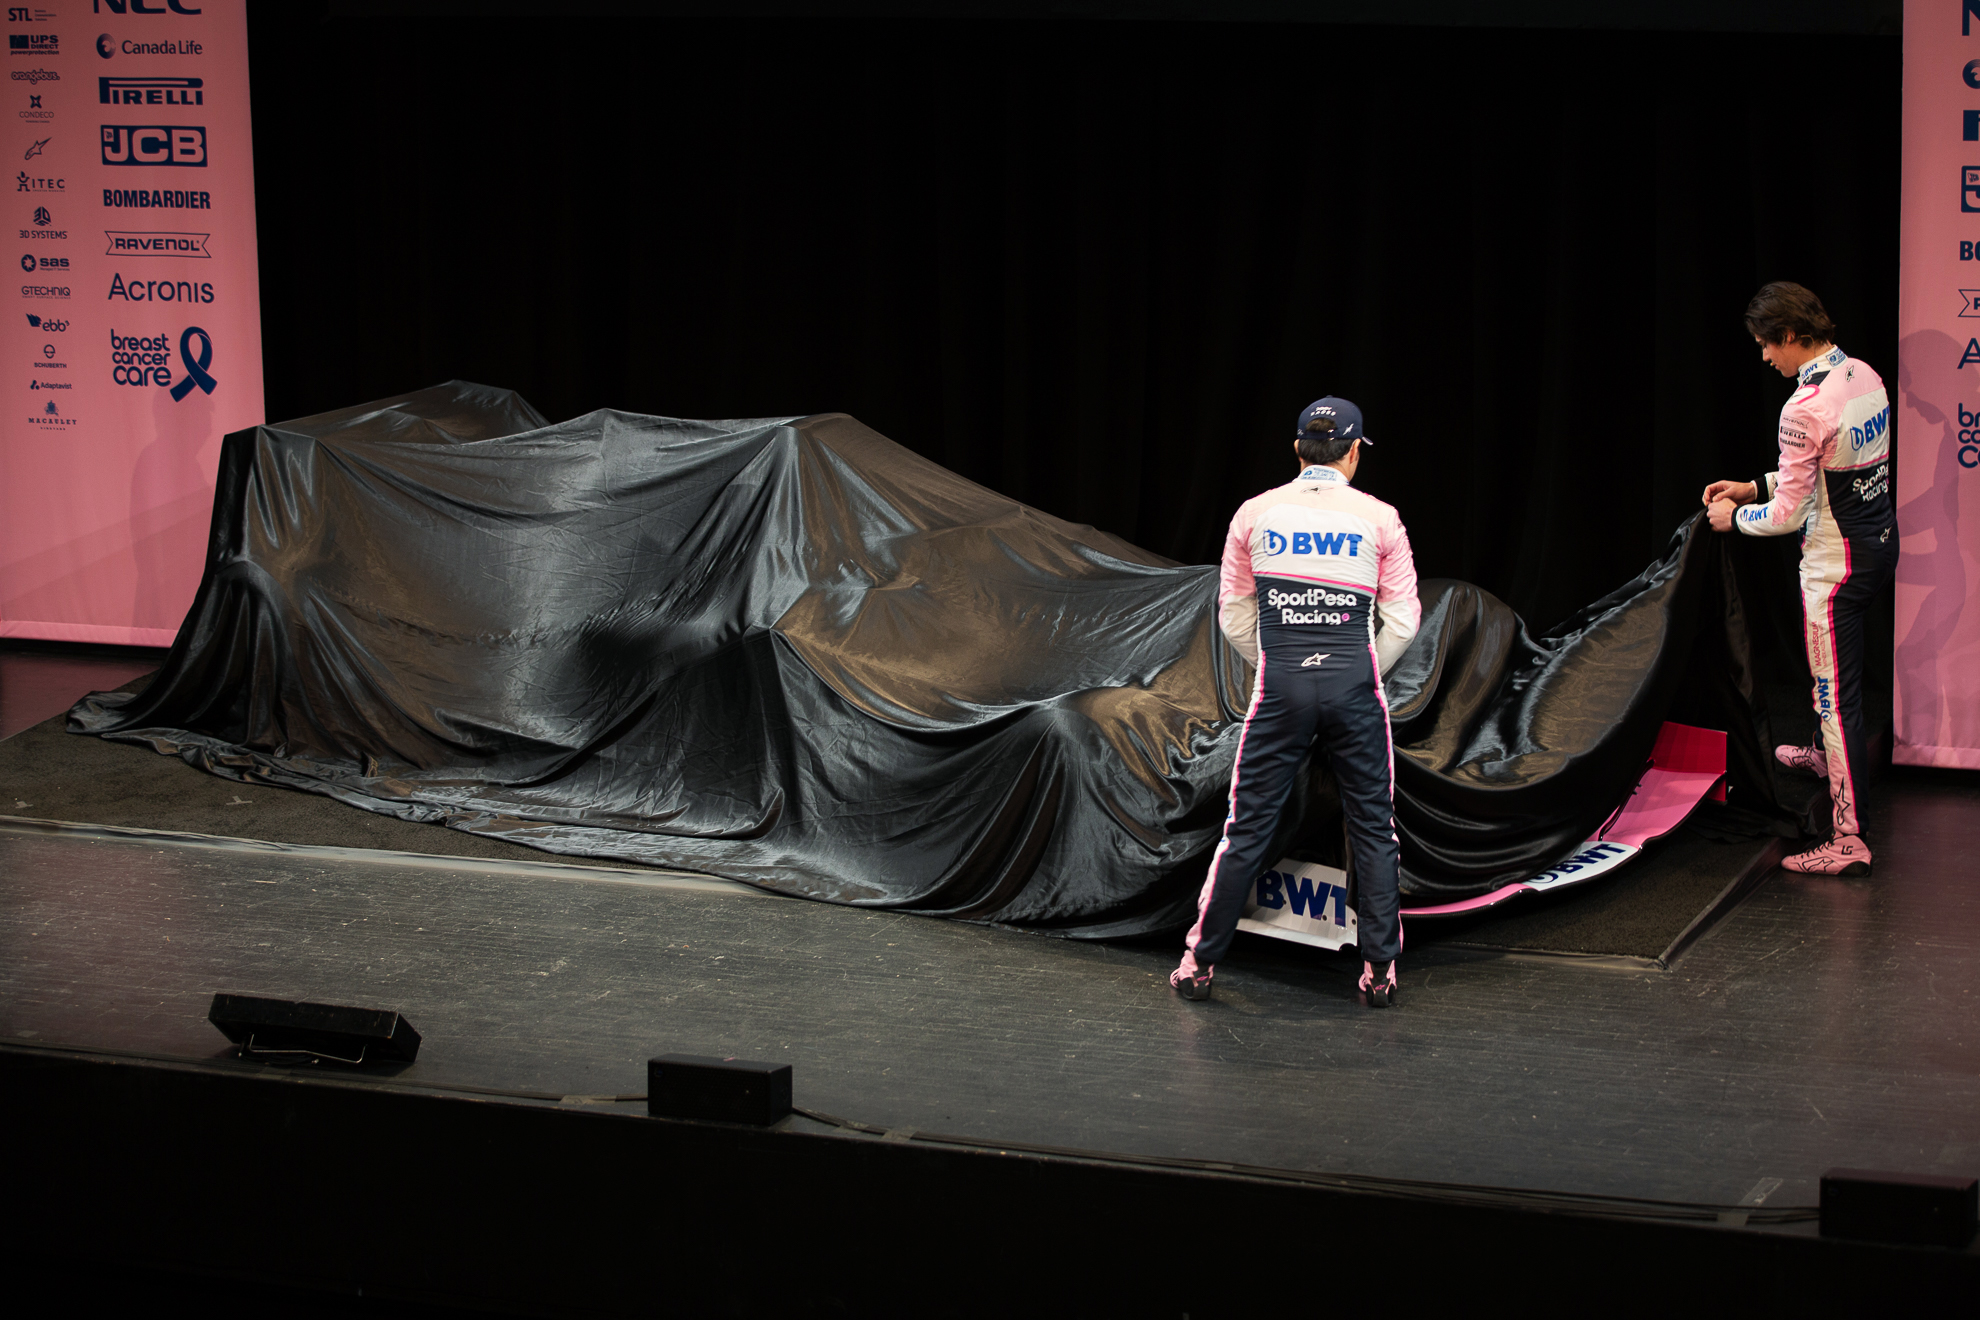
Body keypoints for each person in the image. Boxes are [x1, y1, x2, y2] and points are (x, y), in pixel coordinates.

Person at [1171, 397, 1420, 1007]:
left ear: (1297, 449)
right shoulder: (1381, 517)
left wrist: (1279, 667)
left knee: (1246, 828)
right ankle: (1380, 971)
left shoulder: (1253, 514)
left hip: (1279, 684)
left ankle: (1200, 964)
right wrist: (1358, 669)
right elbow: (1405, 621)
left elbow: (1232, 616)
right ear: (1355, 451)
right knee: (1373, 828)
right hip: (1353, 686)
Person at [1702, 281, 1896, 877]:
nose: (1765, 357)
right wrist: (1755, 485)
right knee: (1839, 692)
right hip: (1878, 551)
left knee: (1836, 701)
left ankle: (1849, 837)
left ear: (1790, 336)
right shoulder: (1863, 375)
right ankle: (1822, 757)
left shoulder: (1802, 406)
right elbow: (1824, 470)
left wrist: (1735, 516)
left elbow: (1788, 514)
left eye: (1767, 345)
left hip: (1833, 574)